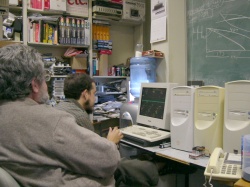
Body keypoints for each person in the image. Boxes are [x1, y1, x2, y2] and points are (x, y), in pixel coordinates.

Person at [0, 44, 122, 187]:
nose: (46, 85)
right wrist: (111, 143)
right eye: (45, 78)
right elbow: (108, 159)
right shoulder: (50, 120)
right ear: (34, 85)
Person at [55, 73, 160, 187]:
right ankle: (158, 168)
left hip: (67, 169)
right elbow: (98, 159)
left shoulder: (60, 108)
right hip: (83, 171)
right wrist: (111, 143)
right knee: (140, 168)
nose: (95, 99)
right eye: (94, 94)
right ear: (85, 94)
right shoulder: (79, 116)